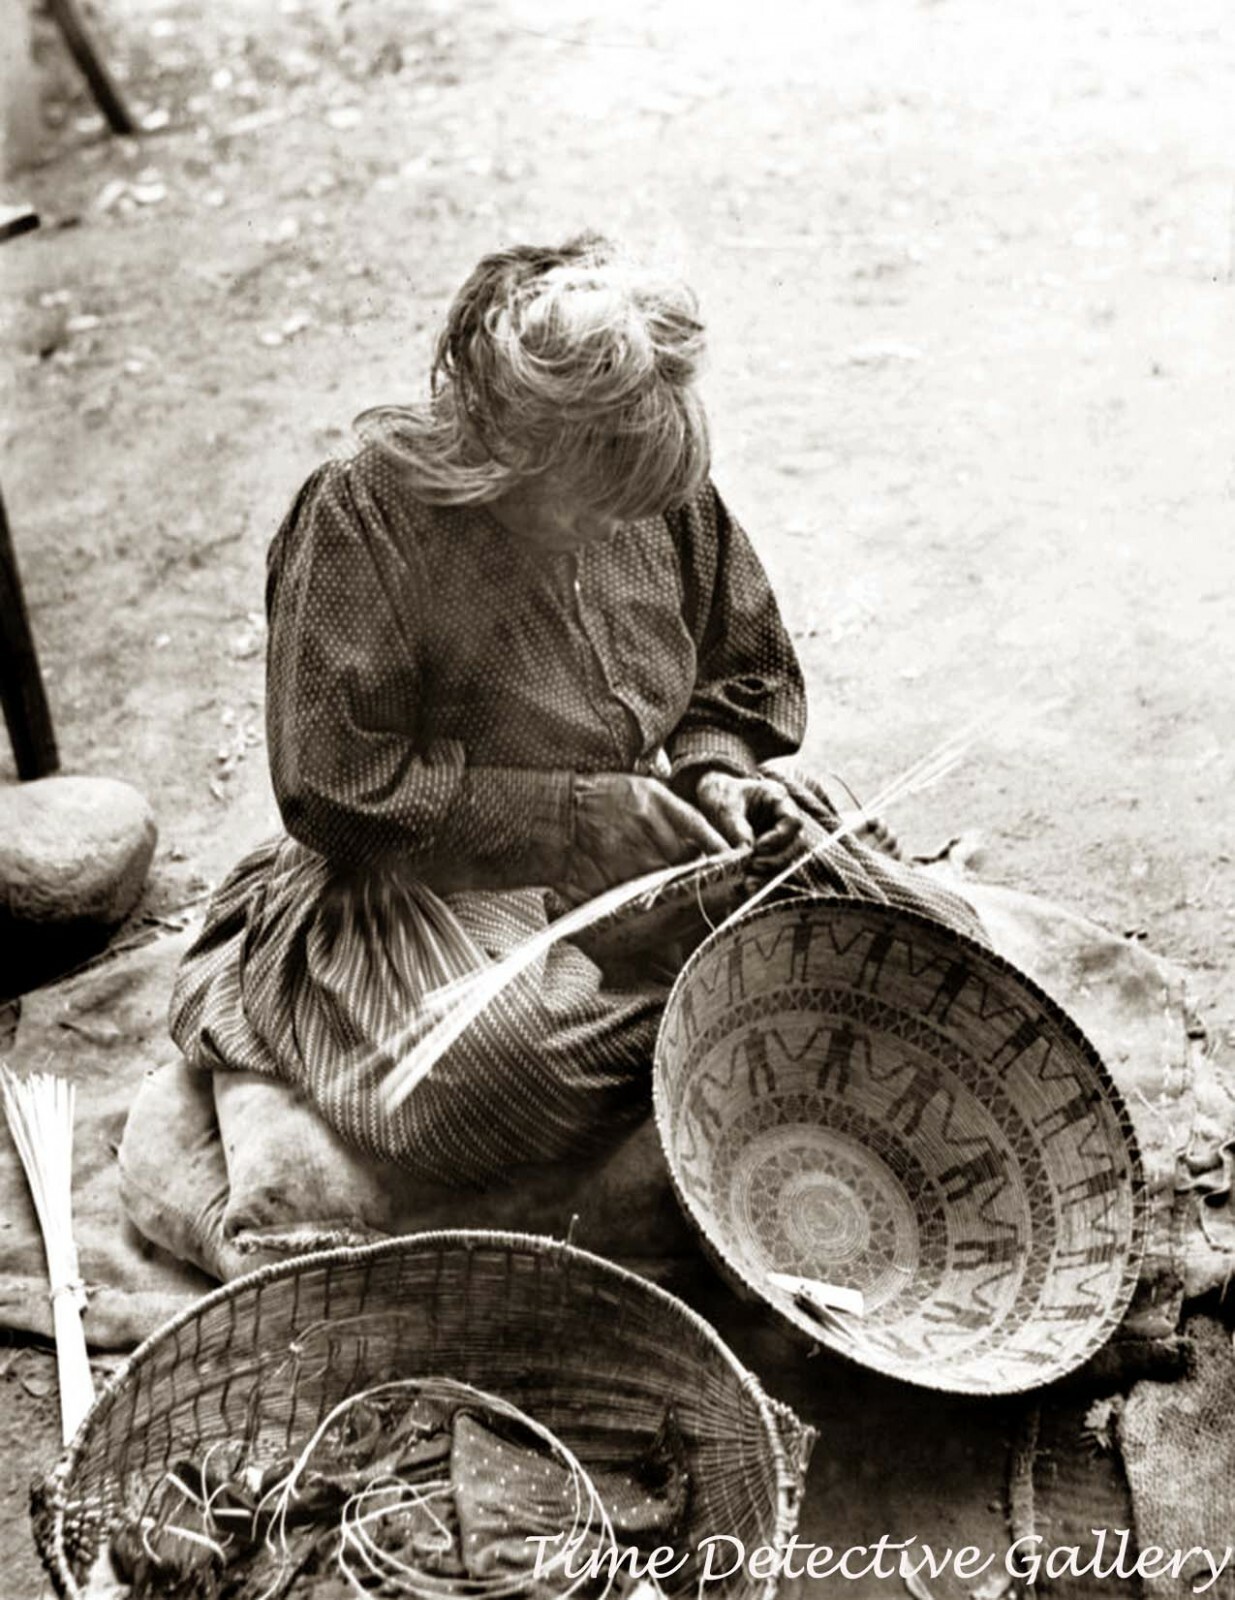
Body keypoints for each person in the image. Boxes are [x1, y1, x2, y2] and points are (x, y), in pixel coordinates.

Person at [169, 233, 980, 1188]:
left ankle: (725, 1024)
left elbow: (737, 668)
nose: (616, 527)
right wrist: (571, 814)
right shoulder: (363, 518)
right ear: (507, 451)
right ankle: (727, 1031)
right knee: (489, 1068)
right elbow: (340, 792)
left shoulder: (648, 482)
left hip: (649, 844)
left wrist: (714, 773)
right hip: (425, 880)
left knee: (918, 935)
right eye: (592, 505)